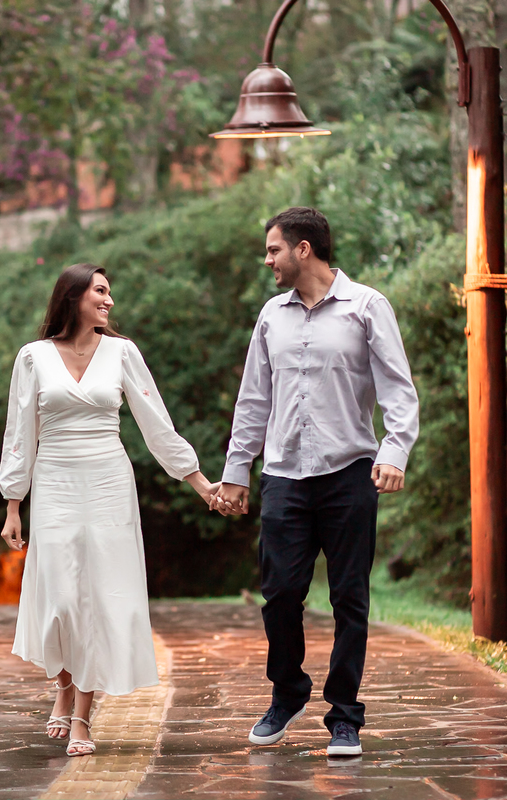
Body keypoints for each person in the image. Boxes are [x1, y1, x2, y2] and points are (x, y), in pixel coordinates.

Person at [211, 207, 419, 757]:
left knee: (350, 597)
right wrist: (237, 472)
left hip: (349, 473)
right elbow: (254, 399)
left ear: (304, 250)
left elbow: (399, 391)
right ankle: (288, 690)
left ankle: (345, 715)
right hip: (283, 475)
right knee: (279, 594)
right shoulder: (270, 318)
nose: (268, 260)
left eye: (274, 250)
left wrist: (394, 451)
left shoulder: (367, 308)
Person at [0, 263, 220, 758]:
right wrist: (13, 505)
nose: (109, 301)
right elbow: (20, 432)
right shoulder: (33, 357)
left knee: (98, 598)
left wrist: (201, 485)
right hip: (54, 484)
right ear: (73, 296)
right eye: (100, 291)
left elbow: (156, 423)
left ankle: (82, 713)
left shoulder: (123, 353)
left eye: (110, 292)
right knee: (59, 598)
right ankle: (63, 681)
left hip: (108, 485)